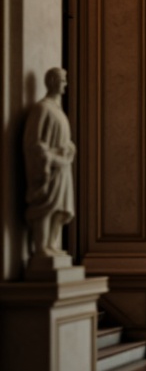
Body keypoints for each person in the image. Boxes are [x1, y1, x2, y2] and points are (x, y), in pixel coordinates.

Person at [23, 67, 76, 258]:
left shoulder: (58, 110)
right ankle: (41, 246)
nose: (65, 84)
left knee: (60, 208)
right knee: (46, 206)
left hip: (62, 167)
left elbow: (65, 140)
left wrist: (69, 148)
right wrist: (50, 157)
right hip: (51, 167)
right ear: (53, 82)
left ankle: (51, 244)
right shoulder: (42, 108)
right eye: (62, 80)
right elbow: (33, 142)